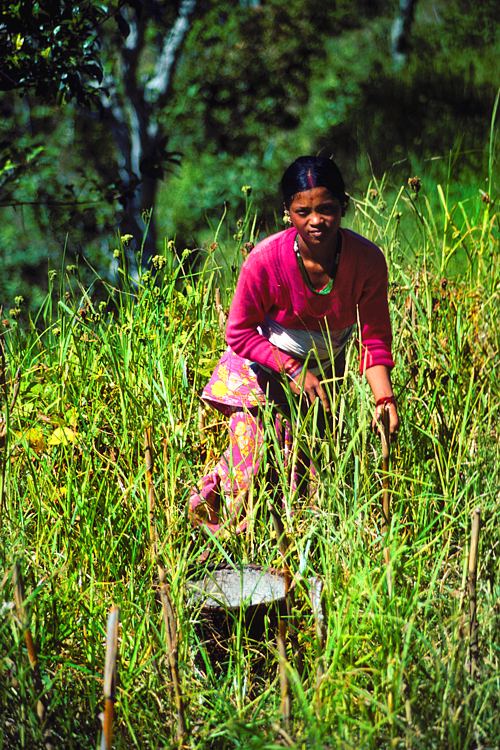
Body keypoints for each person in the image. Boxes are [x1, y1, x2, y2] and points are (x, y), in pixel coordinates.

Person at [189, 155, 399, 535]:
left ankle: (282, 564)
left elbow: (373, 339)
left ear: (344, 207)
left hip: (321, 372)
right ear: (288, 213)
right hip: (260, 363)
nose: (316, 221)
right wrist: (292, 369)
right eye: (304, 211)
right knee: (248, 463)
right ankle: (212, 542)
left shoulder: (366, 261)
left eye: (327, 209)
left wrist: (383, 400)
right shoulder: (266, 260)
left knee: (301, 477)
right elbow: (238, 332)